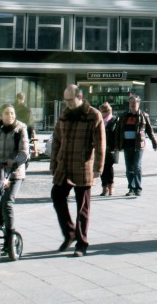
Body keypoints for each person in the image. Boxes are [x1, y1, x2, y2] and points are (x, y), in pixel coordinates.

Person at [49, 85, 104, 258]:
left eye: (70, 100)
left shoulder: (94, 115)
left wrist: (98, 167)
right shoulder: (64, 115)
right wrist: (53, 164)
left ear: (80, 97)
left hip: (83, 165)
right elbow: (56, 140)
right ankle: (69, 233)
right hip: (64, 164)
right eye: (65, 100)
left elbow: (100, 144)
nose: (68, 103)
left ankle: (82, 243)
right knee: (57, 195)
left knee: (82, 207)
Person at [0, 102, 30, 258]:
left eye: (12, 113)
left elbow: (24, 152)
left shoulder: (20, 130)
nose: (10, 116)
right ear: (0, 116)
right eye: (7, 113)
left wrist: (14, 161)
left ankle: (9, 237)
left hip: (15, 173)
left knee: (7, 203)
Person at [113, 95, 157, 197]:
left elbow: (150, 131)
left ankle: (138, 188)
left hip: (138, 145)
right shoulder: (123, 116)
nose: (132, 105)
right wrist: (116, 144)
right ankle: (131, 188)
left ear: (139, 103)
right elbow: (118, 131)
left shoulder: (143, 115)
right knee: (129, 168)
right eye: (131, 103)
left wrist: (154, 142)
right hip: (126, 145)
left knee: (137, 166)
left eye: (134, 103)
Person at [98, 103, 118, 195]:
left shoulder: (114, 120)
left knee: (109, 167)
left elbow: (117, 134)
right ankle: (104, 187)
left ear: (108, 111)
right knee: (101, 168)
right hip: (101, 147)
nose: (102, 113)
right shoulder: (100, 121)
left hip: (111, 148)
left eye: (104, 111)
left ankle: (111, 186)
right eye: (101, 111)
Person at [13, 92, 37, 157]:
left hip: (16, 129)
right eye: (21, 98)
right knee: (23, 145)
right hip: (23, 129)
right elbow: (30, 121)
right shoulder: (26, 109)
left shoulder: (13, 107)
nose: (21, 100)